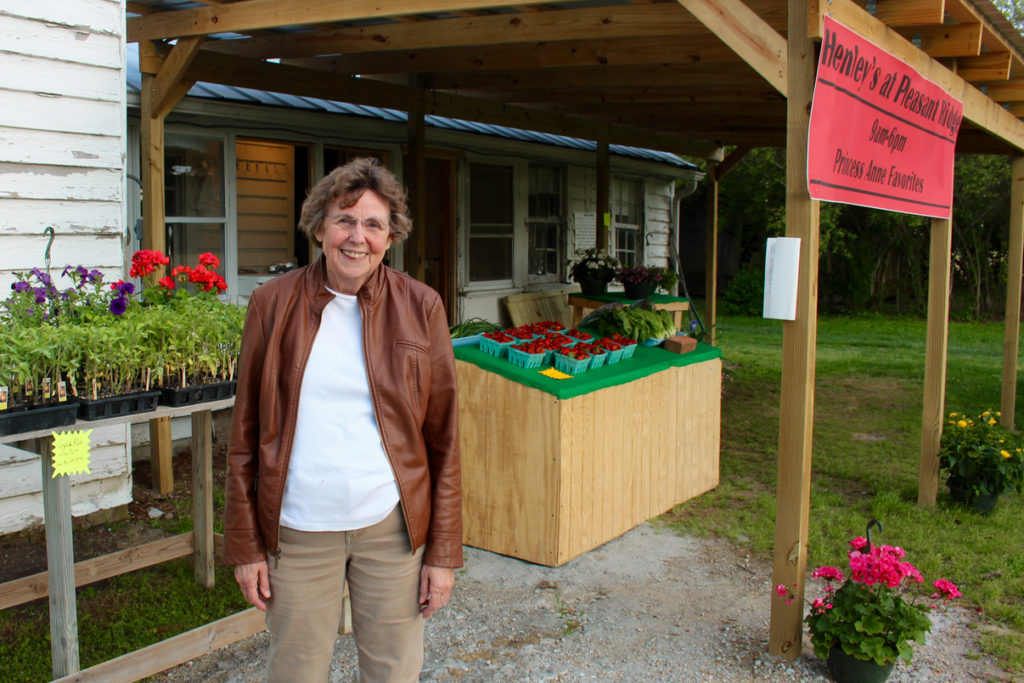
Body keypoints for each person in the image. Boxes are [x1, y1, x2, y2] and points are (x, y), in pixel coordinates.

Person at [224, 157, 462, 682]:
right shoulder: (271, 304)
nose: (358, 237)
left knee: (393, 672)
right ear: (319, 228)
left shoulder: (421, 307)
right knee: (295, 673)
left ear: (391, 235)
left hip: (391, 531)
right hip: (298, 532)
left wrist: (442, 553)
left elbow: (443, 439)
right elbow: (243, 436)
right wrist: (245, 546)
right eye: (345, 220)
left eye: (374, 224)